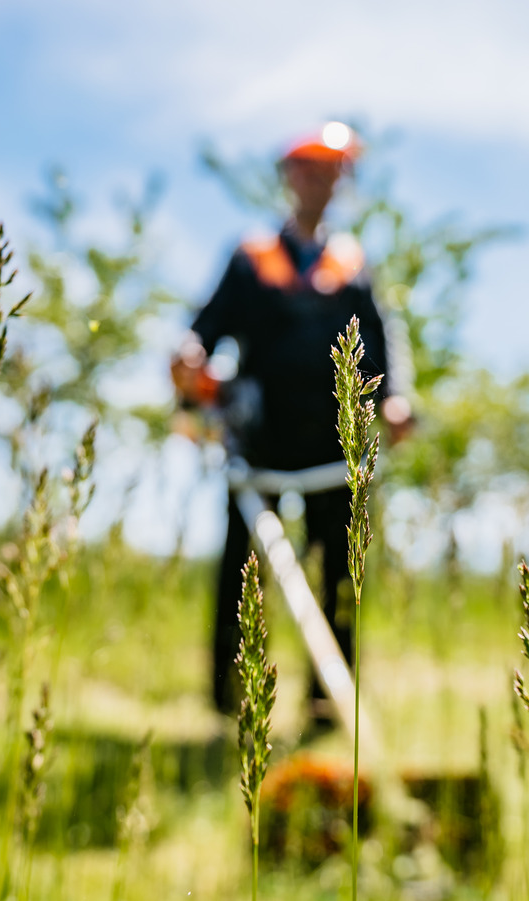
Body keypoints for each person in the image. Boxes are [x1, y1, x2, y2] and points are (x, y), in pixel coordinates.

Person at [172, 122, 412, 725]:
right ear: (289, 178)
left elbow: (383, 348)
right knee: (244, 570)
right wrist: (188, 362)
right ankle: (230, 704)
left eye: (332, 172)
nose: (321, 182)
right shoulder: (251, 258)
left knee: (341, 573)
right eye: (310, 171)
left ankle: (329, 708)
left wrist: (397, 401)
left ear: (343, 182)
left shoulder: (353, 265)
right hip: (259, 441)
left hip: (336, 445)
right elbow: (203, 330)